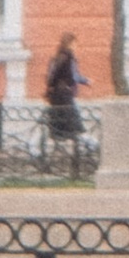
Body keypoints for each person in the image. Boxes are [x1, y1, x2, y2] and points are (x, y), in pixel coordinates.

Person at [42, 33, 87, 171]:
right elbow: (74, 76)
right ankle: (76, 165)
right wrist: (86, 81)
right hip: (65, 96)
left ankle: (49, 162)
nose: (76, 46)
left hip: (55, 97)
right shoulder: (69, 57)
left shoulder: (56, 57)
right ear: (70, 43)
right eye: (75, 43)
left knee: (57, 132)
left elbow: (50, 77)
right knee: (74, 128)